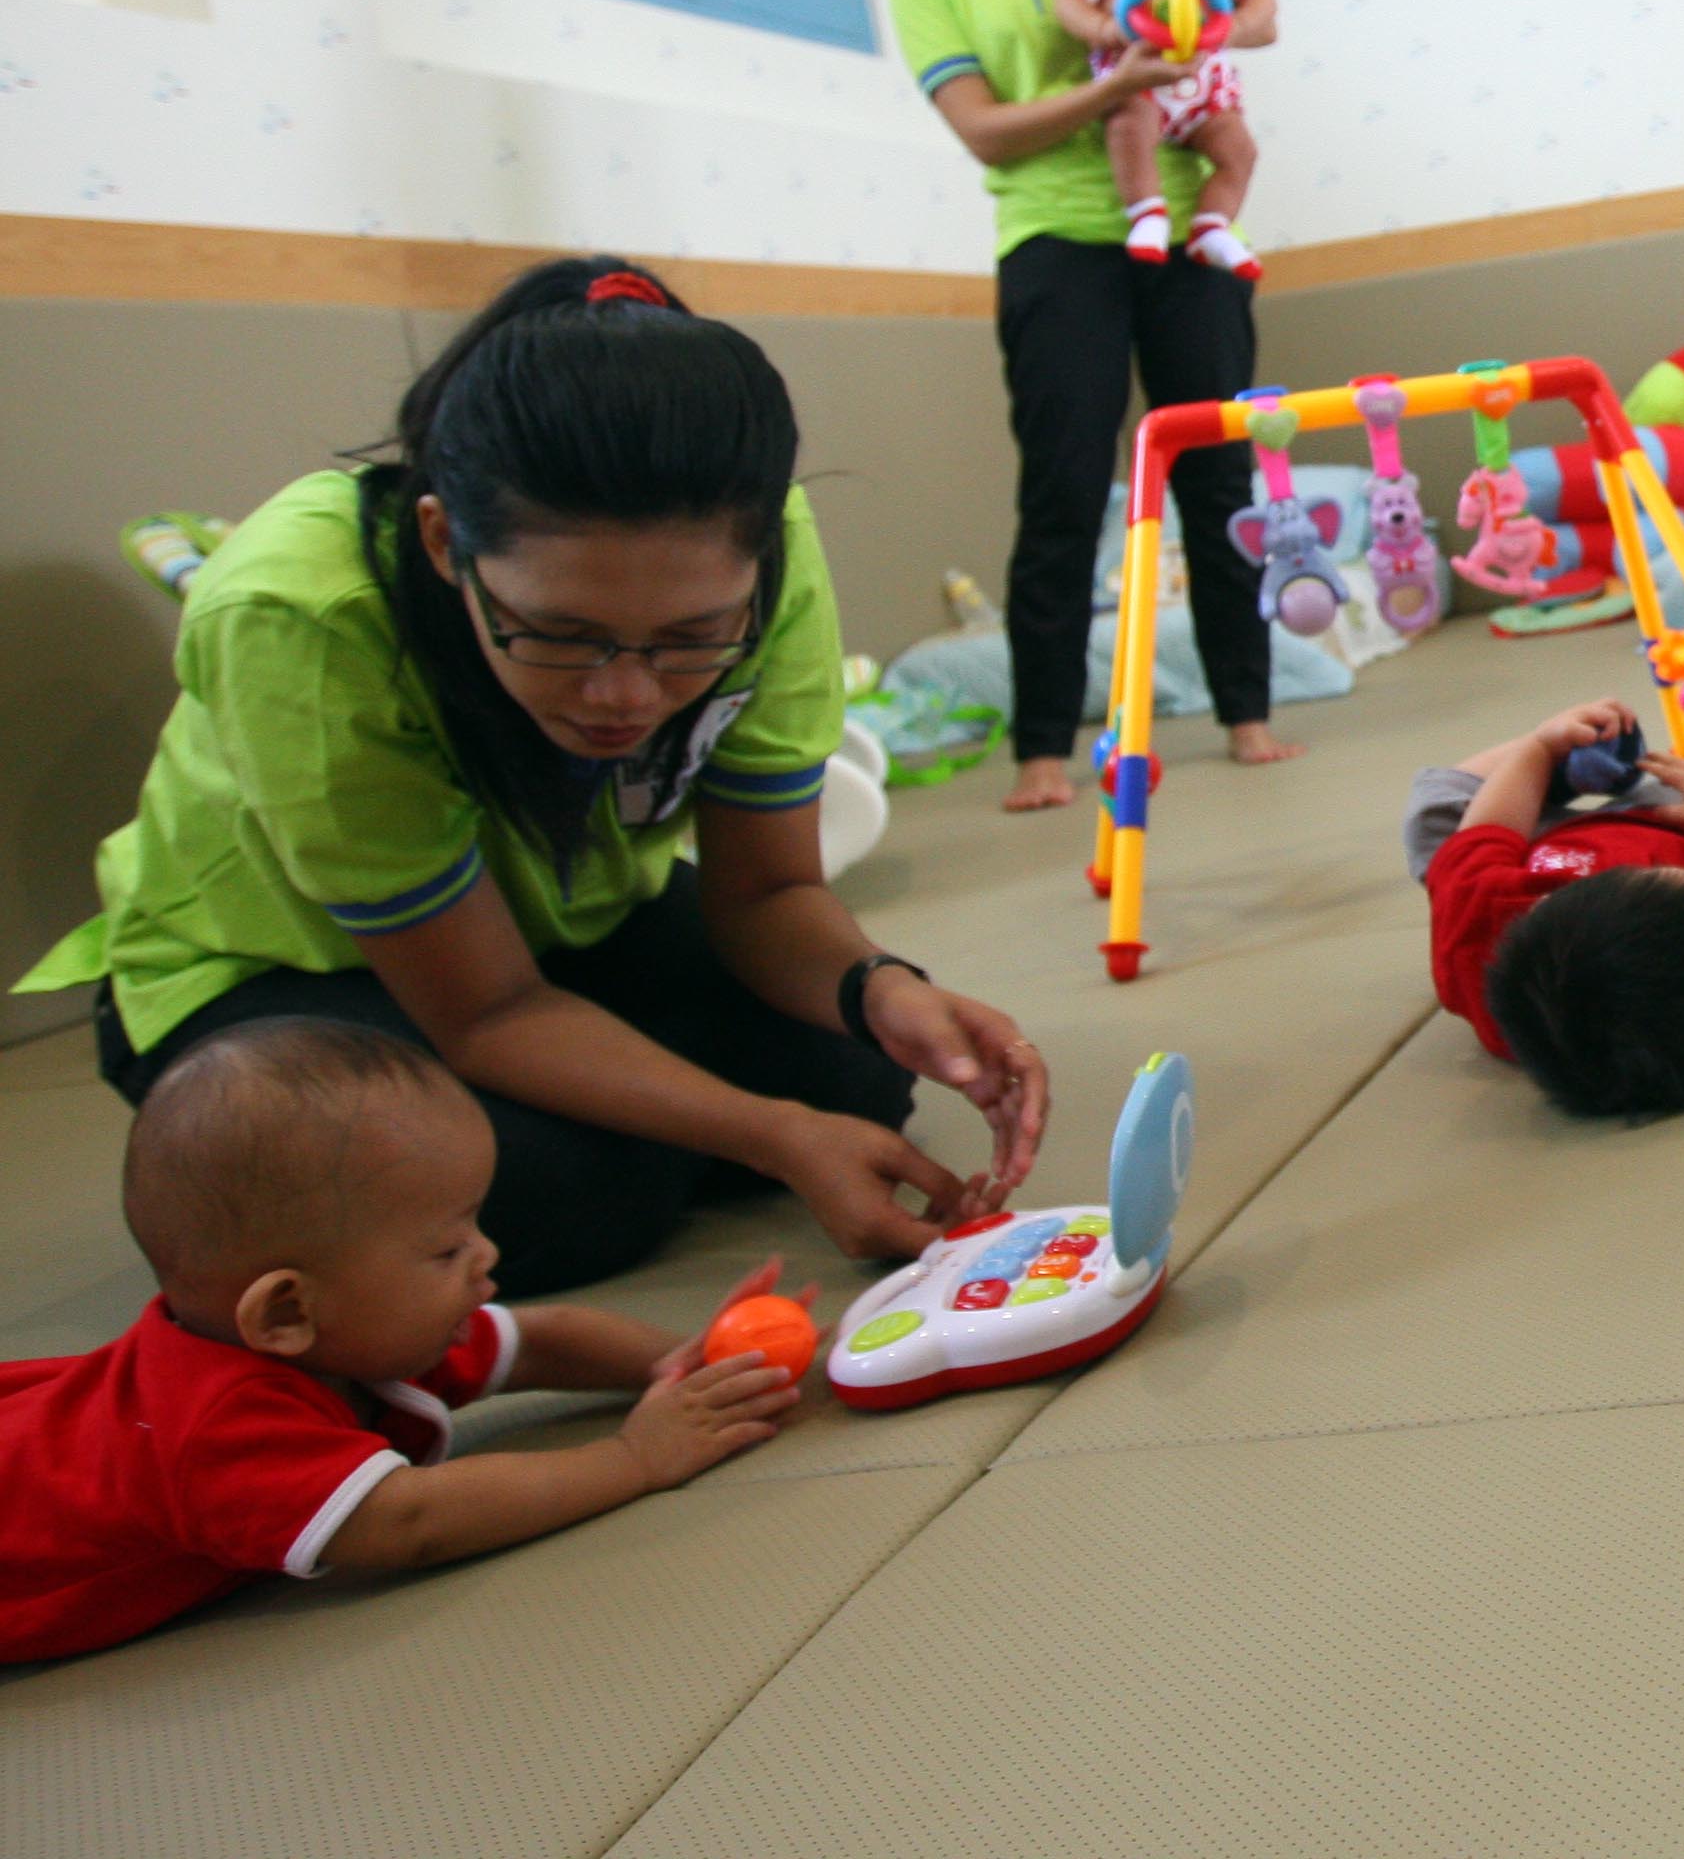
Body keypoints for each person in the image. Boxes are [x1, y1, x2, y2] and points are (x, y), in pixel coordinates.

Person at [15, 260, 1044, 1294]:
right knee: (564, 1196)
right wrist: (775, 1137)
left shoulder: (763, 553)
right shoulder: (298, 611)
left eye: (690, 638)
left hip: (555, 927)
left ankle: (659, 1107)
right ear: (443, 543)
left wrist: (883, 989)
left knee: (855, 1067)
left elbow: (770, 893)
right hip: (281, 970)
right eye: (562, 635)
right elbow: (490, 1010)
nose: (627, 696)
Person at [1, 1021, 803, 1667]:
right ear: (285, 1313)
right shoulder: (213, 1428)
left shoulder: (354, 1333)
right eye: (447, 1250)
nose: (486, 1257)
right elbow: (409, 1521)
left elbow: (539, 1341)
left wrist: (684, 1367)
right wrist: (635, 1458)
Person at [884, 0, 1287, 811]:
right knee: (1064, 489)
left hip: (1186, 229)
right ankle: (1043, 749)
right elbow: (985, 133)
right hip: (1054, 242)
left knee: (1217, 472)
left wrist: (1224, 37)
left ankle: (1249, 714)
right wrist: (1129, 73)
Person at [1403, 701, 1684, 1120]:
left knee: (1434, 813)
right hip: (1677, 815)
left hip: (1537, 841)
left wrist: (1536, 751)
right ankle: (1589, 766)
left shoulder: (1480, 926)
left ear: (1541, 905)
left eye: (1654, 874)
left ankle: (1561, 755)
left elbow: (1486, 830)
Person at [1046, 0, 1272, 277]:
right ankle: (1147, 214)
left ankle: (1212, 227)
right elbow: (1067, 1)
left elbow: (1263, 0)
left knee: (1239, 149)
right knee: (1128, 130)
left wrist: (1236, 26)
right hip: (1138, 85)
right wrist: (1106, 28)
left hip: (1205, 96)